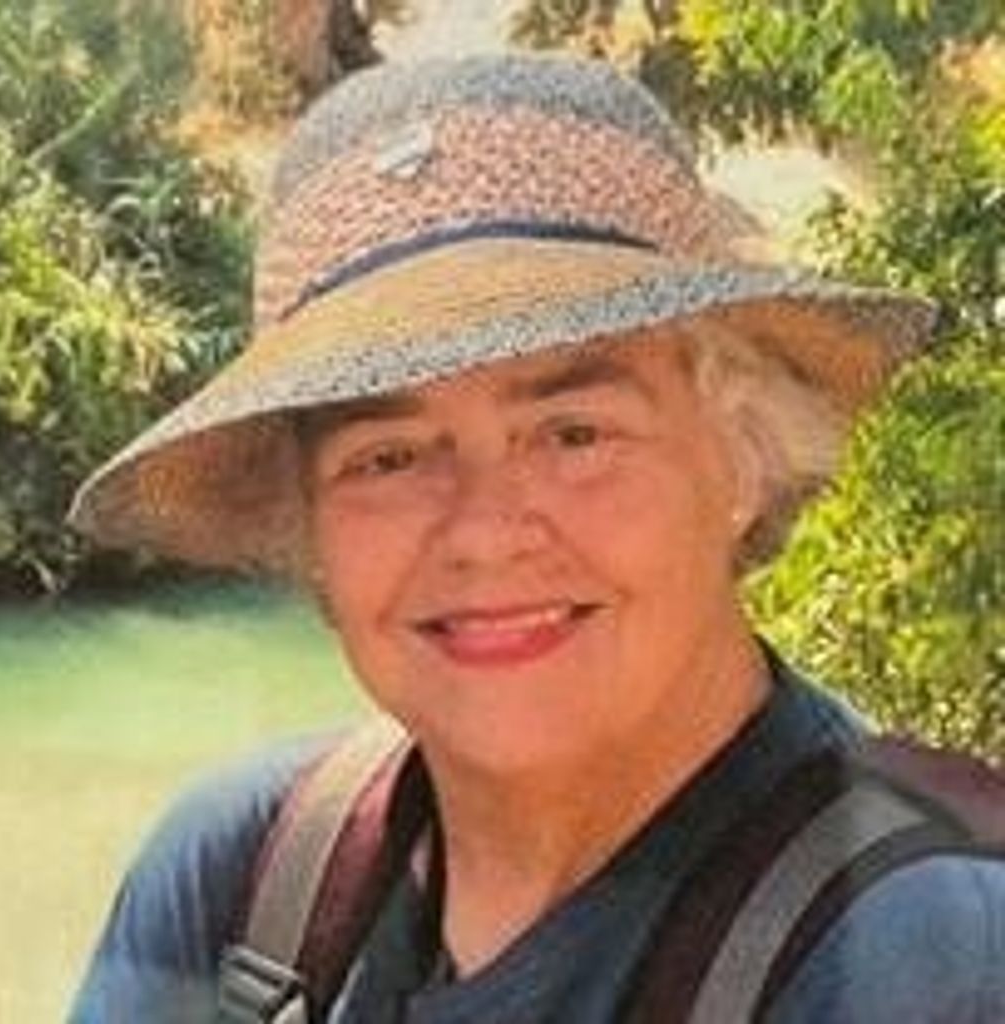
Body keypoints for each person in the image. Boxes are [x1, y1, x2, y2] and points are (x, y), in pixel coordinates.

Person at [67, 54, 1004, 1023]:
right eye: (388, 458)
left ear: (742, 457)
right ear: (307, 528)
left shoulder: (931, 952)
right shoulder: (248, 881)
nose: (483, 533)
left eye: (573, 434)